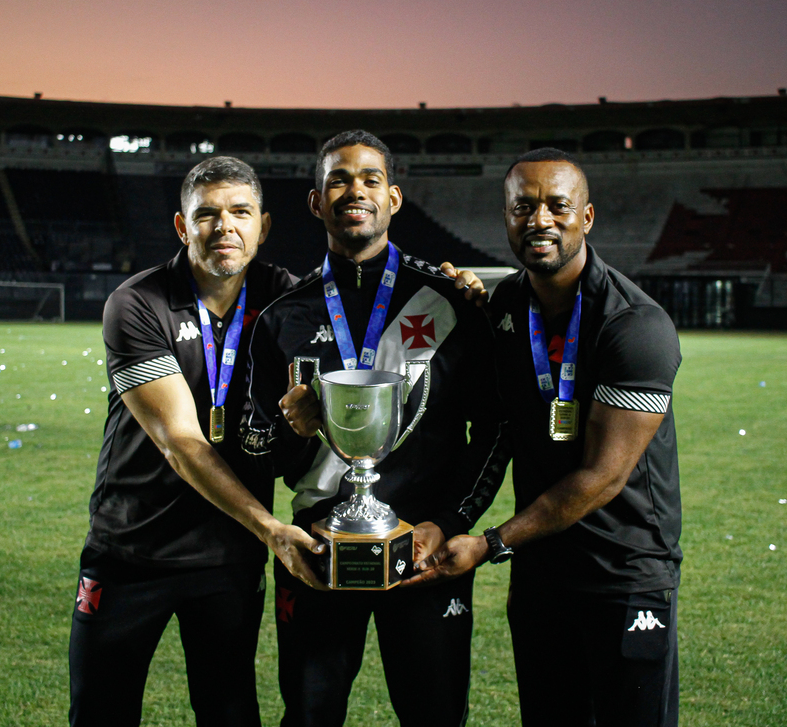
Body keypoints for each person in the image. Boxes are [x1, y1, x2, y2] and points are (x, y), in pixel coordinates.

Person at [241, 129, 509, 727]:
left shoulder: (449, 302)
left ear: (393, 198)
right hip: (318, 550)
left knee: (436, 717)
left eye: (370, 179)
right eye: (338, 180)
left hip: (425, 553)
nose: (355, 191)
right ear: (316, 202)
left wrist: (449, 522)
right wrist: (294, 429)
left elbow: (493, 429)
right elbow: (262, 452)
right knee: (309, 716)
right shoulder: (284, 318)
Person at [408, 148, 683, 727]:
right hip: (540, 576)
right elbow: (496, 432)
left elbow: (603, 477)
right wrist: (451, 521)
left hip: (624, 573)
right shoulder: (505, 306)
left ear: (587, 217)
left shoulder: (635, 324)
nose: (540, 220)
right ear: (506, 217)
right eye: (522, 207)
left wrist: (490, 543)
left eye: (558, 206)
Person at [69, 156, 325, 727]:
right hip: (131, 550)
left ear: (263, 225)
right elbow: (180, 442)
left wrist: (451, 286)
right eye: (207, 214)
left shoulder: (286, 298)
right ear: (183, 227)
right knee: (99, 712)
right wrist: (270, 529)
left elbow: (365, 312)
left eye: (240, 212)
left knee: (230, 712)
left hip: (228, 558)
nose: (224, 226)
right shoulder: (138, 303)